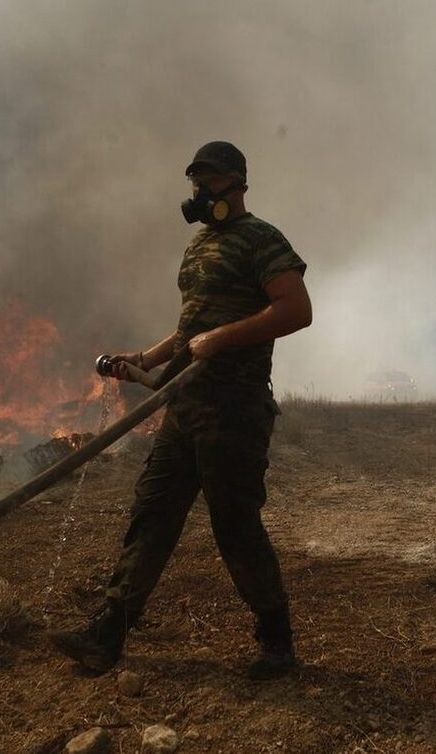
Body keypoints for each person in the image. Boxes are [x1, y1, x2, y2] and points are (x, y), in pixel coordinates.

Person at [48, 141, 312, 681]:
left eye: (209, 180)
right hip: (185, 405)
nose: (199, 191)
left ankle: (276, 642)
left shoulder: (262, 239)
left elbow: (296, 310)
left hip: (233, 408)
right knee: (152, 515)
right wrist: (146, 359)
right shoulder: (199, 245)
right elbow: (193, 327)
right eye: (195, 181)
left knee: (234, 525)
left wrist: (223, 338)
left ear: (237, 183)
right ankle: (106, 636)